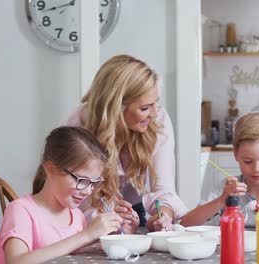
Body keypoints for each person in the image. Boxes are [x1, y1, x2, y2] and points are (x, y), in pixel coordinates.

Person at [60, 54, 188, 232]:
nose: (154, 113)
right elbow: (75, 199)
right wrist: (110, 220)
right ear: (116, 108)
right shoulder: (77, 127)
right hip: (83, 216)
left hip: (131, 212)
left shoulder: (157, 119)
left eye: (156, 102)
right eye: (144, 108)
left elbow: (163, 187)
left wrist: (163, 215)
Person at [0, 127, 128, 264]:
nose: (88, 191)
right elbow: (16, 261)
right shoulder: (21, 210)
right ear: (51, 169)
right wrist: (87, 235)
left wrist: (111, 236)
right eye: (81, 180)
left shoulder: (77, 216)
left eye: (93, 183)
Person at [180, 112, 259, 227]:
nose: (256, 169)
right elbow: (186, 223)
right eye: (248, 161)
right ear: (236, 155)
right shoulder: (227, 189)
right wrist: (221, 200)